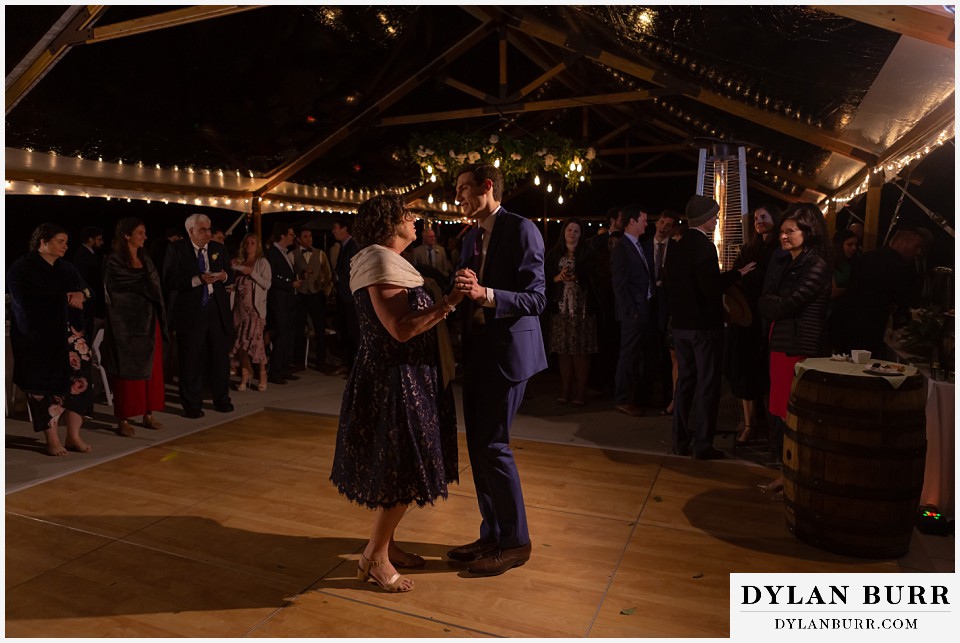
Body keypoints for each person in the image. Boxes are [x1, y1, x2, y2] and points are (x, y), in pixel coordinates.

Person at [329, 194, 463, 594]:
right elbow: (400, 328)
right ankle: (375, 556)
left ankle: (386, 544)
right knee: (402, 469)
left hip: (404, 377)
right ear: (390, 225)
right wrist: (450, 303)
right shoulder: (380, 262)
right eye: (408, 215)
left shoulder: (387, 261)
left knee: (401, 468)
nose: (415, 219)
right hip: (394, 381)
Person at [448, 163, 547, 576]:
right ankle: (491, 533)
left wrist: (486, 293)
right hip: (476, 353)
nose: (460, 199)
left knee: (494, 447)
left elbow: (537, 298)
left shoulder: (522, 229)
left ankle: (516, 542)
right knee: (477, 449)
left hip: (509, 354)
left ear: (488, 187)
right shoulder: (470, 235)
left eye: (464, 190)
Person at [663, 195, 754, 460]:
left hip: (681, 327)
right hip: (704, 327)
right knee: (707, 386)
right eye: (714, 216)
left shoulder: (676, 246)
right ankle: (703, 445)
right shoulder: (704, 246)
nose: (716, 220)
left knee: (684, 384)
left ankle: (679, 441)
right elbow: (710, 286)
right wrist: (737, 274)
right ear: (704, 219)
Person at [757, 203, 832, 494]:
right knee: (782, 413)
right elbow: (771, 301)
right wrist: (771, 304)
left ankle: (794, 479)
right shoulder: (792, 262)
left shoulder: (815, 264)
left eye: (791, 231)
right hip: (783, 344)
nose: (783, 236)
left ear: (808, 231)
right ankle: (787, 475)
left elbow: (787, 303)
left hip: (798, 347)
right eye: (783, 231)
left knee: (794, 417)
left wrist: (770, 304)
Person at [7, 223, 94, 456]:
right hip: (40, 339)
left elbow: (86, 290)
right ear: (43, 242)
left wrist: (80, 294)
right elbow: (25, 301)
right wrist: (65, 297)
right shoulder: (22, 268)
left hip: (72, 338)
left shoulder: (66, 268)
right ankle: (52, 439)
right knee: (44, 389)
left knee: (81, 383)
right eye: (60, 241)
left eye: (66, 241)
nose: (65, 246)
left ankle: (73, 436)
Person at [101, 218, 168, 437]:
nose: (144, 237)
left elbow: (155, 285)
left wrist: (145, 290)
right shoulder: (113, 261)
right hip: (126, 325)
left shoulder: (145, 258)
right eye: (140, 233)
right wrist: (143, 287)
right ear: (127, 235)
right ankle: (124, 417)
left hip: (149, 321)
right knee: (127, 374)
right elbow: (117, 290)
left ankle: (148, 413)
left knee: (151, 371)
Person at [163, 213, 234, 418]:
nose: (208, 233)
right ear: (191, 231)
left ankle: (222, 398)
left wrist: (224, 276)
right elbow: (170, 279)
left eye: (209, 229)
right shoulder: (177, 249)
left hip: (216, 308)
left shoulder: (218, 248)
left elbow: (230, 272)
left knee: (220, 357)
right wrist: (198, 280)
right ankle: (192, 403)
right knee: (191, 358)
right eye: (203, 230)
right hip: (192, 310)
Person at [723, 204, 780, 445]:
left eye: (764, 217)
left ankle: (769, 423)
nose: (759, 221)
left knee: (765, 375)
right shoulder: (748, 248)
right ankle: (749, 423)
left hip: (767, 318)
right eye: (756, 218)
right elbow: (737, 275)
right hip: (745, 317)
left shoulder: (779, 250)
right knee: (745, 371)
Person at [830, 227, 925, 356]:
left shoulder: (867, 257)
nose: (919, 252)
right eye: (916, 247)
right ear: (901, 244)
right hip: (870, 328)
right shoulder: (900, 267)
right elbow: (902, 300)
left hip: (844, 322)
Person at [545, 217, 599, 406]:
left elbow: (595, 276)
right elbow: (545, 278)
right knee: (563, 349)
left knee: (580, 350)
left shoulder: (587, 253)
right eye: (569, 230)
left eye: (576, 231)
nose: (573, 234)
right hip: (560, 307)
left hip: (581, 308)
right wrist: (557, 278)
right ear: (564, 232)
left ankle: (581, 392)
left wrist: (579, 276)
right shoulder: (554, 254)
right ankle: (564, 390)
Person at [610, 204, 654, 417]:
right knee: (628, 356)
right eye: (643, 220)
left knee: (637, 357)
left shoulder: (637, 245)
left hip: (642, 309)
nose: (647, 223)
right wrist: (631, 311)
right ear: (632, 222)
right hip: (633, 312)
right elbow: (619, 284)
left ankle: (633, 397)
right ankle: (622, 399)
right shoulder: (622, 248)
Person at [644, 209, 680, 411]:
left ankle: (669, 393)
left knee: (669, 350)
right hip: (649, 300)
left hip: (668, 300)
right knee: (650, 346)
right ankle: (650, 392)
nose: (664, 227)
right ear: (656, 223)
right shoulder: (644, 246)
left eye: (668, 225)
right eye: (662, 223)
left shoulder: (675, 247)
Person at [230, 233, 272, 391]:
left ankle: (262, 374)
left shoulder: (262, 263)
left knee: (256, 343)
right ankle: (245, 375)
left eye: (252, 243)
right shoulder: (238, 263)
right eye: (247, 242)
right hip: (240, 309)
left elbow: (267, 284)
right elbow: (237, 285)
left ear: (258, 245)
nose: (249, 245)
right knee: (240, 344)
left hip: (255, 310)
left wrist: (251, 273)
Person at [293, 227, 333, 372]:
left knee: (320, 328)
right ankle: (298, 361)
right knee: (298, 329)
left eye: (310, 236)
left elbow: (328, 274)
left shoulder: (320, 254)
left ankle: (320, 361)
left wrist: (323, 289)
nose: (309, 239)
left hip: (316, 294)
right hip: (300, 294)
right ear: (299, 239)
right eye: (305, 237)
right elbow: (291, 276)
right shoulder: (293, 255)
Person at [265, 223, 302, 384]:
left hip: (289, 301)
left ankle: (284, 367)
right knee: (281, 336)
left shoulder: (285, 253)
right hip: (279, 301)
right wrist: (289, 284)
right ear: (282, 236)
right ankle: (275, 372)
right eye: (291, 234)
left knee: (288, 335)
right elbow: (271, 277)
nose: (293, 238)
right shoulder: (272, 254)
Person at [332, 217, 360, 374]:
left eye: (336, 227)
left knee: (353, 332)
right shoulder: (344, 246)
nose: (333, 231)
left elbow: (352, 271)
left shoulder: (352, 246)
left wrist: (338, 278)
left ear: (344, 229)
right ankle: (348, 364)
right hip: (344, 296)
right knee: (346, 331)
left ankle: (355, 367)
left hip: (350, 296)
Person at [69, 226, 105, 320]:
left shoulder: (90, 255)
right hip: (89, 304)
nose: (102, 242)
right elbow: (84, 280)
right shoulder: (83, 256)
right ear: (90, 240)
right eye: (99, 239)